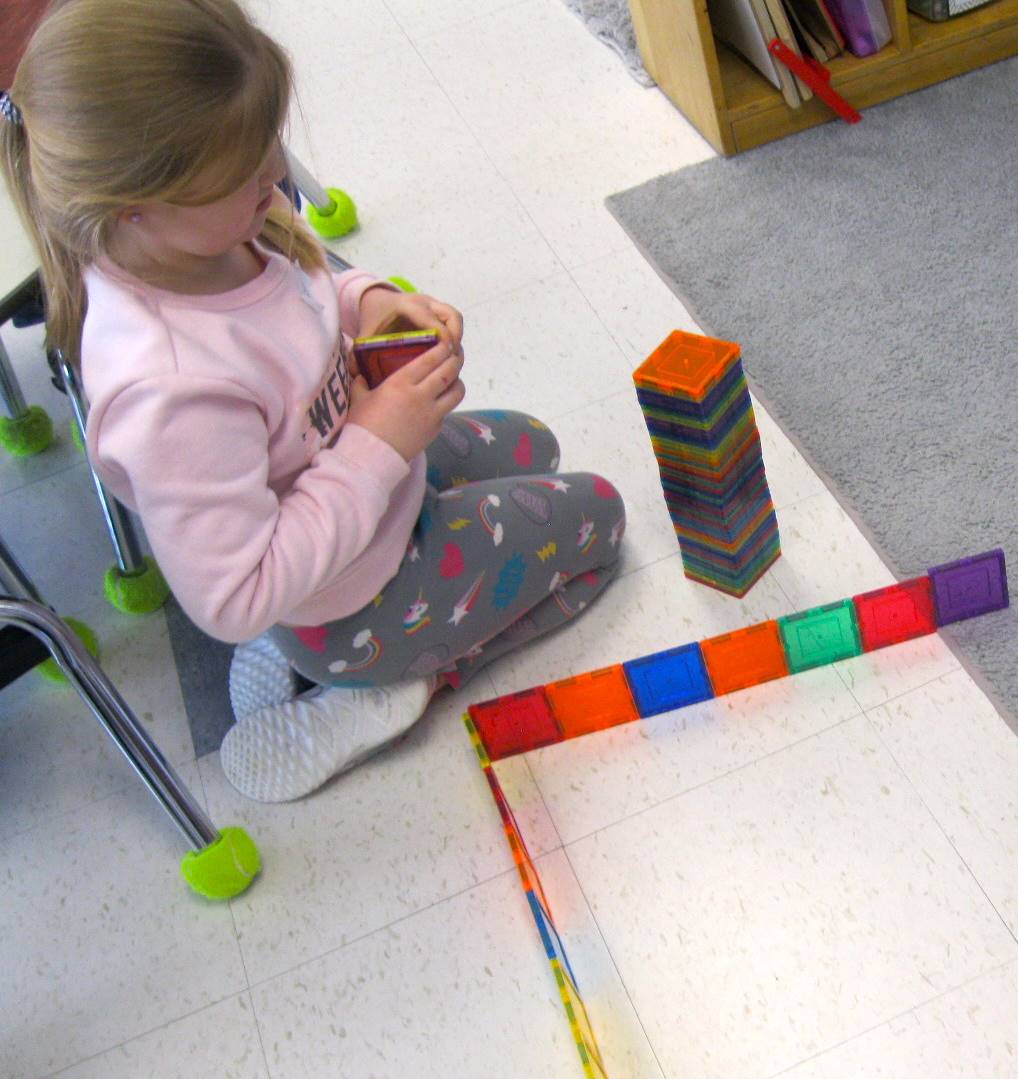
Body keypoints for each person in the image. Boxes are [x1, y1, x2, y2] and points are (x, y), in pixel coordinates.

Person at [0, 0, 626, 802]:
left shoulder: (203, 228)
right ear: (135, 206)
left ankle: (329, 645)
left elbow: (298, 283)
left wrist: (365, 304)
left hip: (359, 501)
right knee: (601, 521)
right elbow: (232, 596)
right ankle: (395, 686)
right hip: (353, 586)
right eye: (247, 179)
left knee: (535, 443)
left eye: (271, 155)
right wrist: (377, 444)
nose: (276, 183)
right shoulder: (168, 389)